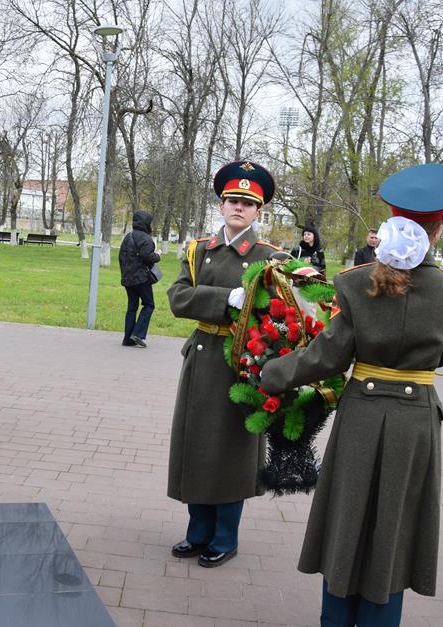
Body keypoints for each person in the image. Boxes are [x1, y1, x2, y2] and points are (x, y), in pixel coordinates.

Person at [259, 163, 443, 626]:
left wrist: (272, 373)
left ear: (391, 220)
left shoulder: (356, 283)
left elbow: (327, 357)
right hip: (415, 423)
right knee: (394, 526)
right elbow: (441, 358)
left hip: (361, 414)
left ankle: (336, 617)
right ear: (440, 227)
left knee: (347, 520)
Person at [166, 160, 282, 568]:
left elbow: (279, 317)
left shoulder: (271, 258)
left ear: (258, 212)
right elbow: (178, 298)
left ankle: (225, 536)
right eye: (232, 200)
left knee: (231, 451)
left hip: (242, 363)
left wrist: (249, 312)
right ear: (220, 205)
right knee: (197, 445)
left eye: (247, 204)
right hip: (202, 358)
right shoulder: (200, 250)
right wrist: (223, 300)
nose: (238, 208)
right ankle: (197, 531)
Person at [119, 210, 161, 347]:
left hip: (127, 279)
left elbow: (121, 257)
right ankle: (138, 333)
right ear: (146, 223)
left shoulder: (128, 237)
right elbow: (147, 257)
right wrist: (158, 255)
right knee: (149, 304)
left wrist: (125, 273)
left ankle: (128, 339)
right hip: (141, 279)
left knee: (132, 307)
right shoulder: (146, 239)